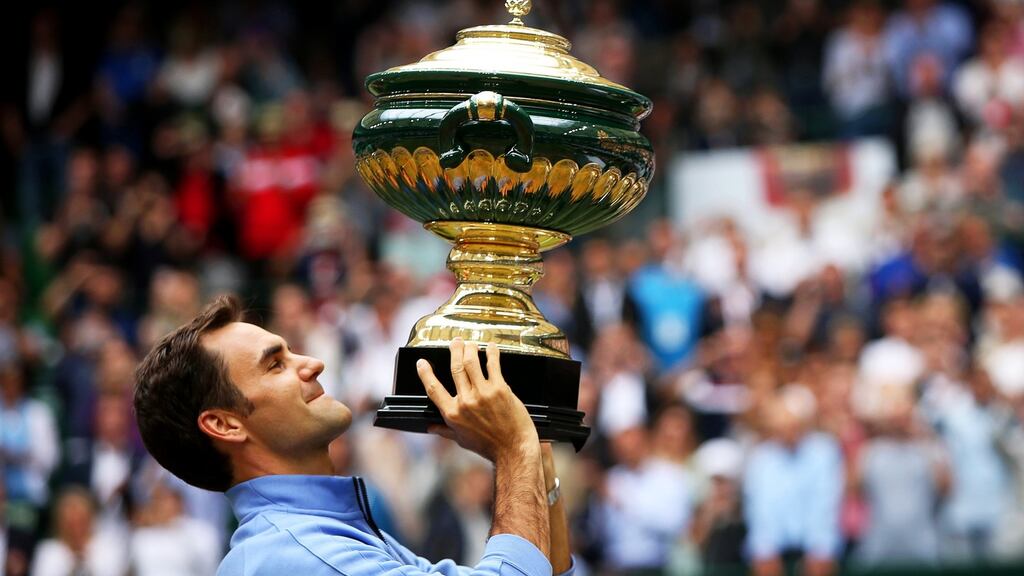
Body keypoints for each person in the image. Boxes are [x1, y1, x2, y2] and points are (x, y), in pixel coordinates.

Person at [133, 294, 573, 576]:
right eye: (275, 364)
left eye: (291, 351)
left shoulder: (324, 537)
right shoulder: (295, 555)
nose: (312, 363)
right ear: (225, 424)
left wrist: (536, 461)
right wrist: (514, 450)